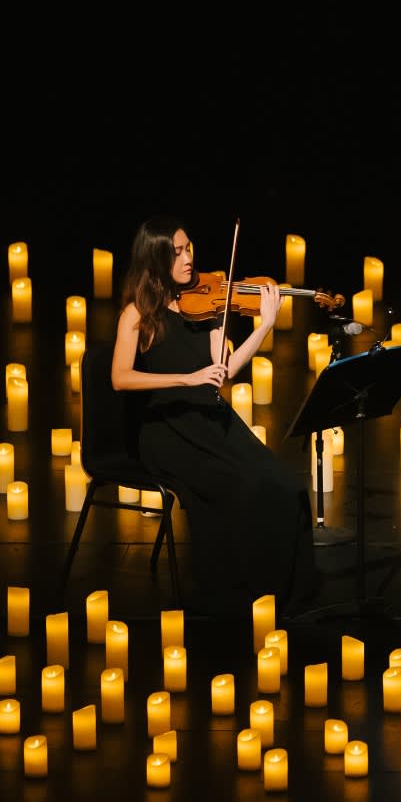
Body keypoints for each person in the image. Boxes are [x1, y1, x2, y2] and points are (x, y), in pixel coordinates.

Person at [110, 217, 321, 618]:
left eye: (189, 248)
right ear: (155, 259)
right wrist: (187, 380)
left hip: (208, 417)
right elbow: (120, 377)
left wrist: (265, 327)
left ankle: (286, 592)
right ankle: (239, 593)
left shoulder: (205, 302)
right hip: (165, 430)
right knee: (243, 490)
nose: (188, 258)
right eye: (176, 252)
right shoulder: (137, 314)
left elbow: (225, 369)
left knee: (283, 486)